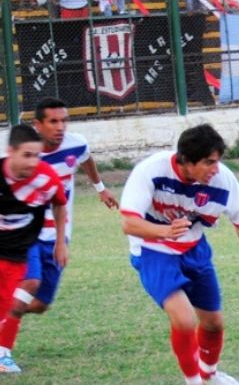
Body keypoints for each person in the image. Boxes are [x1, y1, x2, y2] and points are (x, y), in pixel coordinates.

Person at [119, 124, 239, 385]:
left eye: (217, 161)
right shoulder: (150, 172)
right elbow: (129, 223)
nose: (215, 169)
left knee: (213, 323)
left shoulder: (222, 180)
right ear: (185, 159)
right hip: (153, 250)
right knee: (184, 320)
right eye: (208, 162)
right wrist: (164, 230)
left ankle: (210, 376)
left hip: (194, 248)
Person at [0, 98, 119, 373]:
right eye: (53, 121)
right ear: (38, 125)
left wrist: (100, 187)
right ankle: (4, 352)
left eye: (64, 120)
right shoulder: (20, 156)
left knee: (40, 303)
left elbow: (86, 161)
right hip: (23, 233)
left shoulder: (75, 145)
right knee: (28, 283)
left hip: (57, 235)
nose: (60, 127)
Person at [0, 125, 67, 374]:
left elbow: (60, 205)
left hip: (23, 242)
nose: (33, 162)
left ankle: (3, 353)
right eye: (27, 155)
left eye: (37, 155)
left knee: (30, 287)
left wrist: (61, 242)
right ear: (10, 152)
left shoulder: (46, 177)